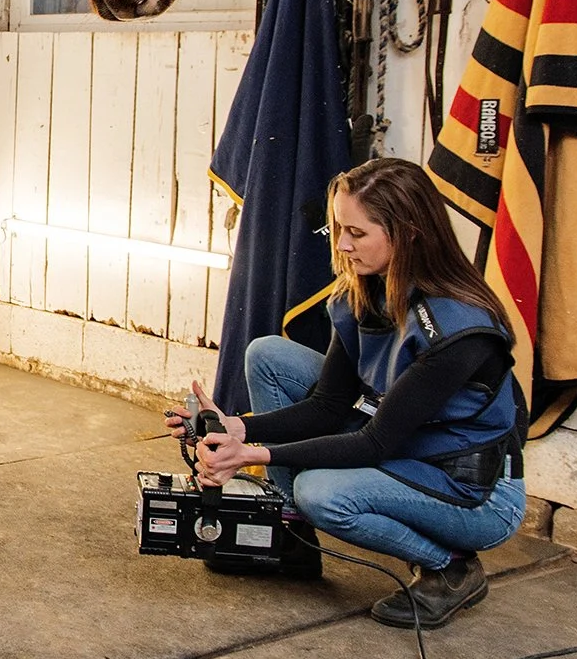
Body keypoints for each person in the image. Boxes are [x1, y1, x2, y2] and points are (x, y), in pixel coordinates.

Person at [171, 157, 527, 629]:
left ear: (408, 231)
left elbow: (374, 443)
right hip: (409, 447)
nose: (342, 244)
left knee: (322, 493)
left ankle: (451, 568)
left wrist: (249, 453)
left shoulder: (459, 330)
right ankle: (295, 538)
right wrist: (233, 425)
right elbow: (328, 406)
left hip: (474, 491)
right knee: (268, 355)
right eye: (339, 227)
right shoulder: (365, 289)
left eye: (357, 233)